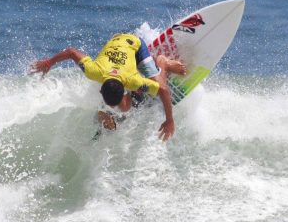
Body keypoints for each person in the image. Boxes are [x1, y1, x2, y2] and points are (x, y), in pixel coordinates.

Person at [30, 33, 186, 141]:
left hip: (134, 44)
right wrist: (49, 63)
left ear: (126, 91)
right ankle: (112, 112)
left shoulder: (132, 80)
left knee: (158, 84)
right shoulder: (94, 71)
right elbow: (71, 52)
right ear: (101, 89)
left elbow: (164, 91)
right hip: (115, 40)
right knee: (119, 109)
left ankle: (162, 63)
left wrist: (169, 120)